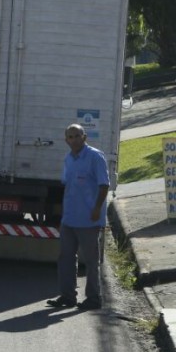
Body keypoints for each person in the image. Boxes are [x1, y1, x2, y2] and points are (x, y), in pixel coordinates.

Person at [47, 123, 110, 311]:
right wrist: (63, 216)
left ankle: (93, 298)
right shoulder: (68, 159)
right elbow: (68, 186)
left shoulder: (95, 157)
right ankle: (67, 296)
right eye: (70, 137)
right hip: (70, 218)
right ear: (66, 140)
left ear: (85, 137)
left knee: (91, 261)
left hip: (89, 218)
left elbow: (104, 185)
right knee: (65, 257)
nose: (74, 140)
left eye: (77, 136)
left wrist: (97, 209)